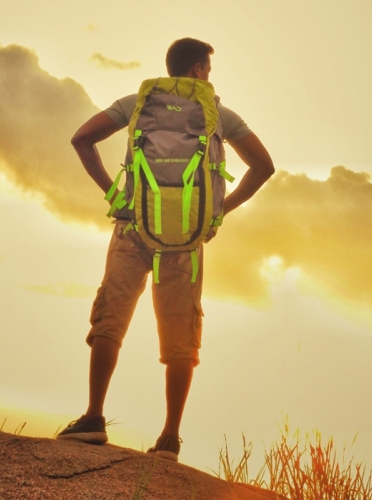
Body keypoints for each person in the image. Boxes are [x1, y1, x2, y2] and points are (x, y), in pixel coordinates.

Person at [57, 38, 275, 462]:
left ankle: (94, 418)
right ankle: (170, 438)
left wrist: (115, 195)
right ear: (197, 69)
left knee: (110, 317)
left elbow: (81, 138)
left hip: (132, 227)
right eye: (207, 69)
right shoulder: (219, 115)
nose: (208, 77)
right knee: (181, 337)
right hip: (187, 239)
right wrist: (217, 212)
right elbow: (264, 166)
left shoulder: (136, 103)